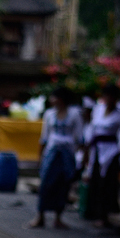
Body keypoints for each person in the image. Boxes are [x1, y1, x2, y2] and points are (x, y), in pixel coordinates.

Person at [28, 87, 82, 229]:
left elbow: (79, 137)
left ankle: (58, 217)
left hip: (67, 154)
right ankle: (41, 215)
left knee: (63, 185)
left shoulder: (74, 114)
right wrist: (41, 157)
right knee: (46, 183)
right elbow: (44, 136)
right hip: (52, 153)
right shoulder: (50, 114)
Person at [85, 84, 120, 226]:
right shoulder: (98, 110)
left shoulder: (119, 114)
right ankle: (93, 212)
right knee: (96, 181)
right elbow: (92, 128)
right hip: (97, 148)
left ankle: (104, 214)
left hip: (111, 150)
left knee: (107, 184)